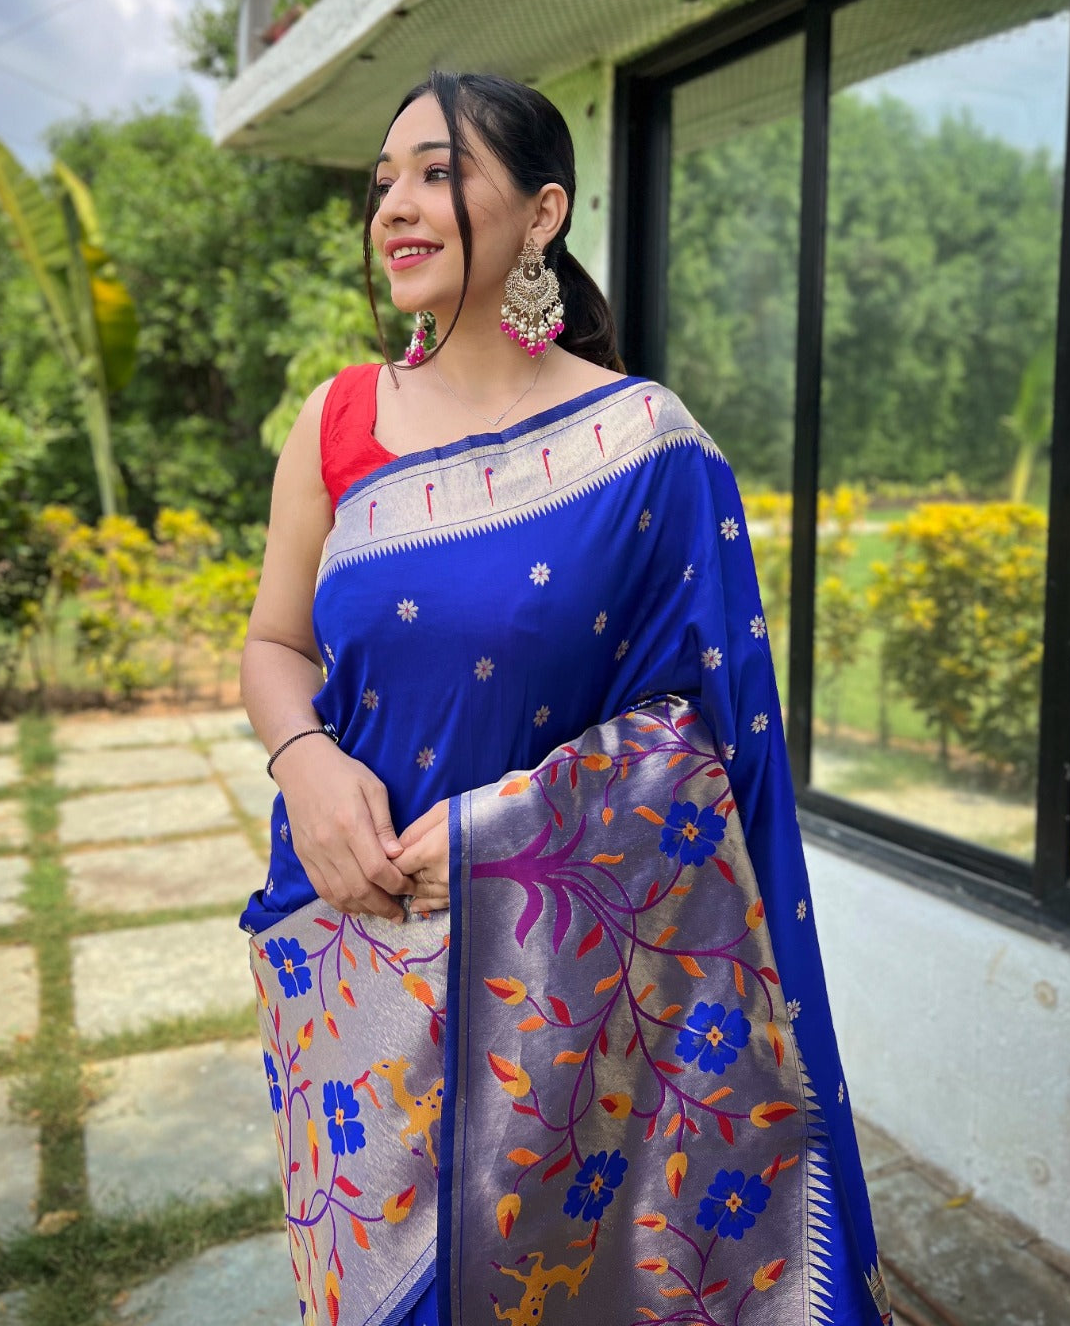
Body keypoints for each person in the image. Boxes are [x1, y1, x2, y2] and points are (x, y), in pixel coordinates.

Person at [239, 72, 892, 1326]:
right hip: (356, 951)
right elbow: (276, 641)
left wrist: (506, 834)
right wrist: (302, 762)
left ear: (541, 215)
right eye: (385, 182)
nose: (398, 207)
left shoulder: (642, 445)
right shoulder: (337, 423)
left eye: (439, 172)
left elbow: (703, 748)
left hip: (563, 1000)